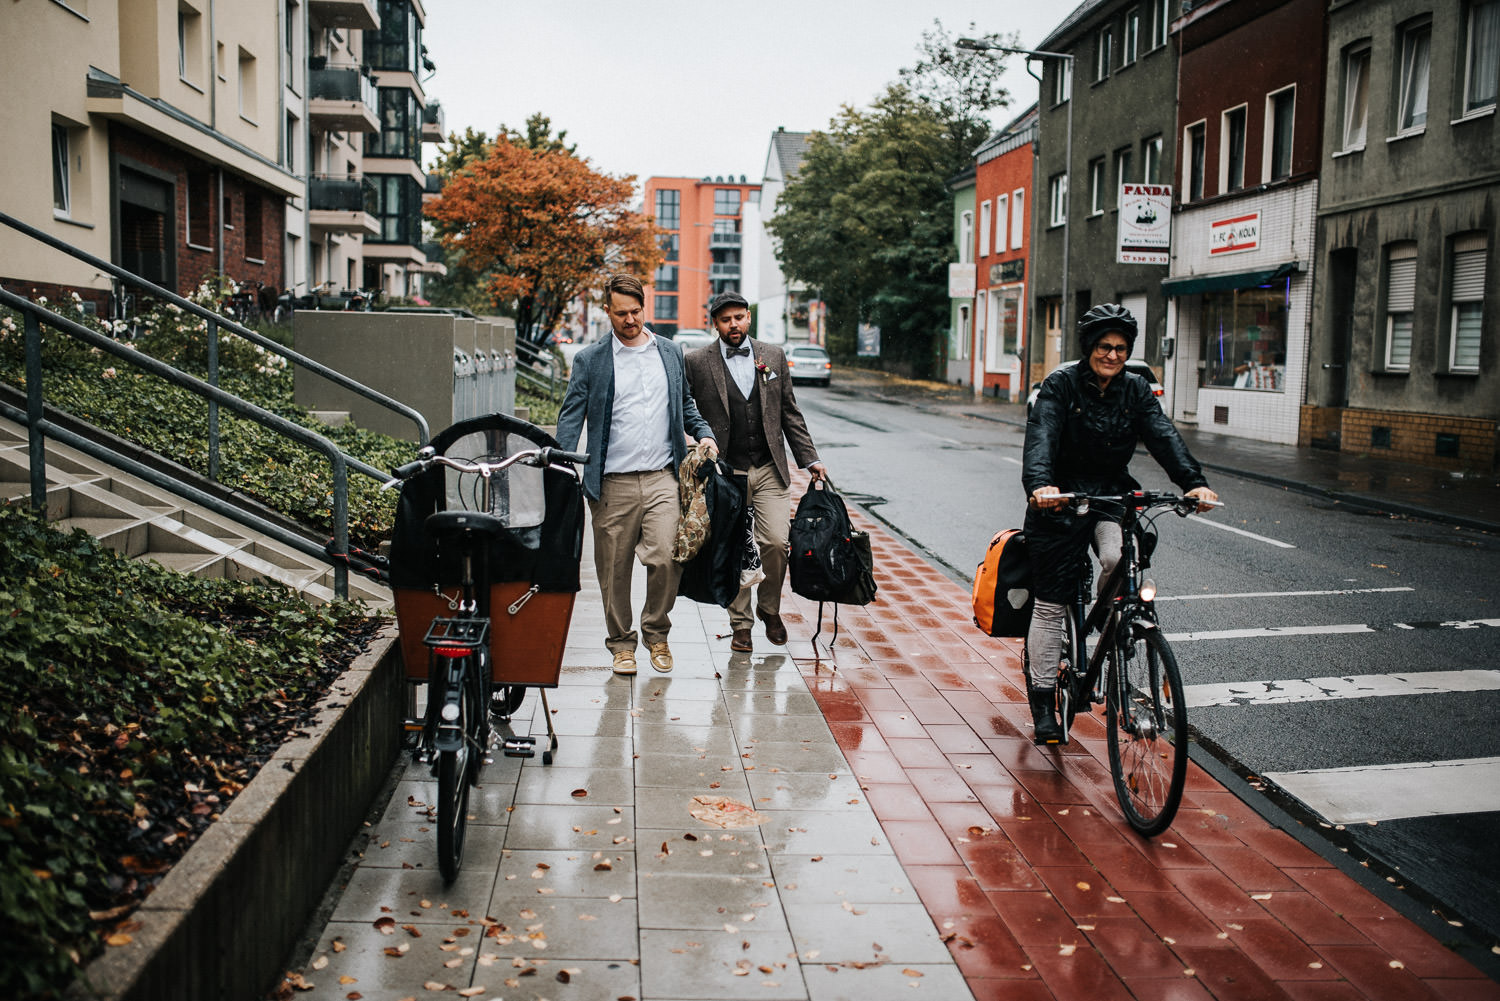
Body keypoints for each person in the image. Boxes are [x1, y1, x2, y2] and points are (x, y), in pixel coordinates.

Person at [1022, 303, 1218, 744]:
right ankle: (1043, 703)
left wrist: (1194, 483)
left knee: (1116, 558)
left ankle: (1109, 619)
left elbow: (1162, 434)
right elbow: (1041, 438)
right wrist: (1041, 485)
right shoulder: (1061, 385)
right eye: (1104, 346)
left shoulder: (1135, 389)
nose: (1112, 355)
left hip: (1110, 496)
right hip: (1060, 501)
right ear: (1089, 347)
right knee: (1051, 603)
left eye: (1121, 349)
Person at [556, 274, 717, 677]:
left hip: (663, 477)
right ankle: (621, 644)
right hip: (612, 482)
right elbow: (571, 415)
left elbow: (685, 404)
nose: (630, 320)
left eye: (636, 311)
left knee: (666, 557)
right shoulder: (591, 360)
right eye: (621, 313)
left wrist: (704, 433)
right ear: (607, 311)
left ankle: (656, 632)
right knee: (614, 570)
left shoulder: (669, 352)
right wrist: (560, 462)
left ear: (644, 307)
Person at [684, 291, 826, 652]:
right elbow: (686, 409)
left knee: (776, 542)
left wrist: (810, 459)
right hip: (726, 472)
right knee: (733, 546)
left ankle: (769, 608)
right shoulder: (697, 362)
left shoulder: (772, 356)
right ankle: (741, 625)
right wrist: (695, 446)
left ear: (748, 317)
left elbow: (789, 412)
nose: (733, 325)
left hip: (768, 466)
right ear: (715, 324)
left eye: (739, 317)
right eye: (725, 320)